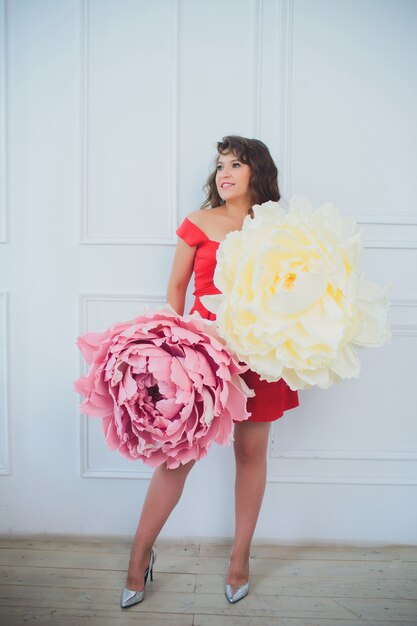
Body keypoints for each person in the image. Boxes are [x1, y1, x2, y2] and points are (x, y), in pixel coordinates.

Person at [120, 135, 299, 608]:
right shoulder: (199, 223)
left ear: (257, 172)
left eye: (236, 164)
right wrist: (175, 350)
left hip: (261, 357)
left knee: (250, 454)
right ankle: (139, 559)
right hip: (204, 356)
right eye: (220, 164)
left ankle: (240, 559)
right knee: (177, 457)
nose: (225, 172)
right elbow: (176, 289)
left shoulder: (278, 228)